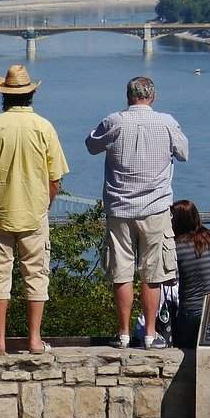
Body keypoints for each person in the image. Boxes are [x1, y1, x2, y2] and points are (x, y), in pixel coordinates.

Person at [0, 64, 69, 356]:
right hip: (34, 213)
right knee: (36, 274)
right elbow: (55, 179)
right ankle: (34, 340)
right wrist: (44, 204)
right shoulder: (44, 127)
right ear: (31, 94)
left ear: (4, 95)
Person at [87, 76, 189, 350]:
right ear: (153, 97)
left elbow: (91, 145)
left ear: (128, 96)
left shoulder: (114, 121)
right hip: (155, 208)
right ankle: (150, 334)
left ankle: (122, 333)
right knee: (153, 273)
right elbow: (184, 153)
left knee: (121, 272)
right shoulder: (167, 122)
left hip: (119, 208)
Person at [170, 200, 210, 348]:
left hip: (191, 307)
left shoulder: (176, 246)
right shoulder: (207, 237)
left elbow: (172, 279)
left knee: (184, 347)